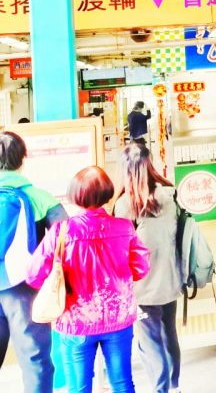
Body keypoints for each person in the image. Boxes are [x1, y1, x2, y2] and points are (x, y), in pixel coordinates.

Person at [27, 166, 151, 393]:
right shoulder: (124, 227)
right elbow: (141, 266)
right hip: (119, 318)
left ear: (74, 196)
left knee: (79, 387)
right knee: (122, 383)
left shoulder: (61, 232)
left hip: (76, 323)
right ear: (107, 194)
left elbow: (34, 275)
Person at [0, 131, 67, 393]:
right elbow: (65, 238)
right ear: (22, 160)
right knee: (35, 359)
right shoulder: (39, 197)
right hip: (24, 288)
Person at [113, 144, 182, 393]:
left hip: (143, 289)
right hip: (171, 280)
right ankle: (174, 386)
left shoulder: (125, 205)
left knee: (150, 343)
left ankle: (161, 388)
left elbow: (121, 250)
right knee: (169, 334)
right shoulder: (169, 194)